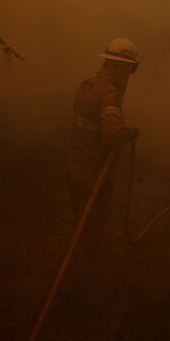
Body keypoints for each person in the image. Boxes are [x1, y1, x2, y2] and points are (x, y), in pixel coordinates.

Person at [62, 37, 140, 303]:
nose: (129, 76)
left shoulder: (88, 85)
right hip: (93, 175)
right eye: (130, 70)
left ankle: (73, 278)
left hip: (75, 167)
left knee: (80, 225)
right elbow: (111, 134)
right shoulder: (109, 95)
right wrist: (127, 134)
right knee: (89, 233)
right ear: (122, 68)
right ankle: (73, 291)